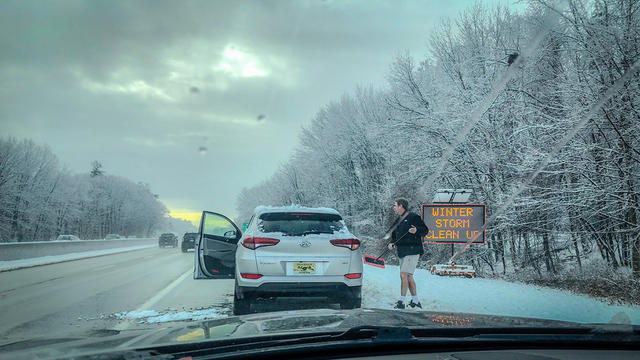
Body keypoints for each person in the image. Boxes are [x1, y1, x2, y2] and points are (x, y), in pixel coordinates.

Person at [388, 198, 428, 309]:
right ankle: (415, 301)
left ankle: (401, 301)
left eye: (395, 205)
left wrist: (416, 231)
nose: (394, 207)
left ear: (401, 206)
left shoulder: (414, 217)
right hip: (402, 251)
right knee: (408, 276)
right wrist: (392, 243)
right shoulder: (398, 220)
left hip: (413, 250)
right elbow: (395, 236)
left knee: (403, 274)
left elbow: (425, 230)